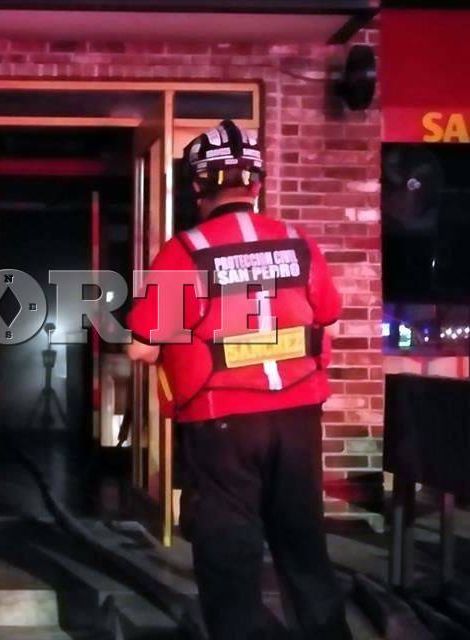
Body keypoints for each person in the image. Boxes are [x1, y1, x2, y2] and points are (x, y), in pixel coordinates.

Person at [126, 120, 351, 640]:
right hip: (297, 421)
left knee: (229, 553)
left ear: (198, 186)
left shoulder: (185, 251)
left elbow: (143, 345)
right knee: (303, 545)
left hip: (221, 423)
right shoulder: (298, 243)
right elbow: (329, 316)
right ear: (257, 183)